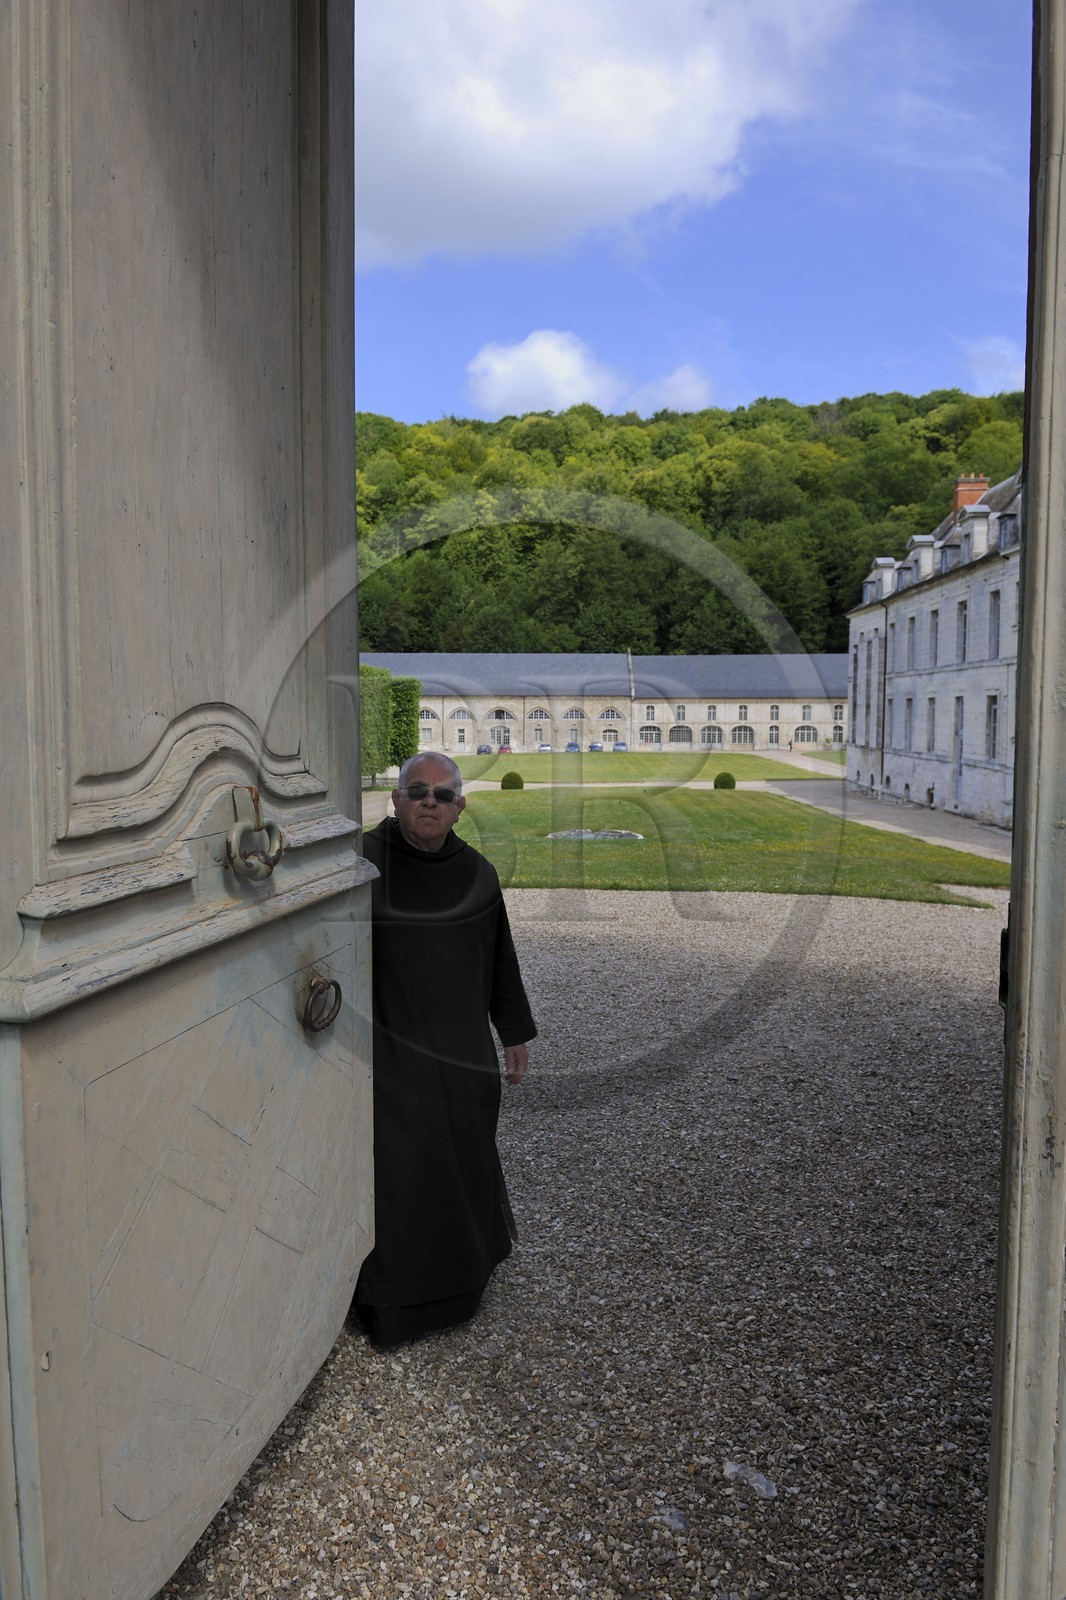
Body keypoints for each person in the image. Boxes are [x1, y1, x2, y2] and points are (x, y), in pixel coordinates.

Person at [353, 752, 536, 1348]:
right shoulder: (357, 865)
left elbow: (500, 957)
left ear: (461, 807)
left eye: (441, 794)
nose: (428, 802)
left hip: (461, 1054)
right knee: (397, 1172)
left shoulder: (479, 874)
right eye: (416, 791)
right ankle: (392, 1304)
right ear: (395, 800)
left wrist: (513, 1031)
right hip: (388, 1048)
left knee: (460, 1164)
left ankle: (461, 1284)